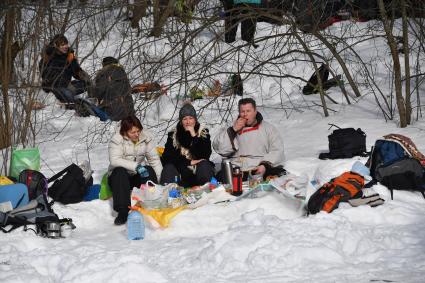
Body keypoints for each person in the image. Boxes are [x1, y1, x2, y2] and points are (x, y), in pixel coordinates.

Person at [108, 115, 162, 225]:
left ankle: (152, 202)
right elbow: (114, 160)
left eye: (138, 131)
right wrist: (136, 166)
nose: (137, 134)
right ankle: (123, 211)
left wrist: (161, 181)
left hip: (137, 176)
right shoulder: (117, 140)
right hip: (119, 179)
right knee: (119, 172)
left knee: (149, 169)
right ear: (125, 132)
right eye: (133, 132)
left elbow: (154, 159)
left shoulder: (146, 138)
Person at [213, 98, 285, 180]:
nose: (245, 114)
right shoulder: (230, 128)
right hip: (236, 167)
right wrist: (233, 130)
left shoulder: (268, 129)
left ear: (255, 111)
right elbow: (220, 149)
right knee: (221, 178)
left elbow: (277, 150)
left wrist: (264, 165)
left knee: (277, 175)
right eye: (242, 111)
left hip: (259, 166)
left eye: (248, 111)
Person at [161, 103, 215, 187]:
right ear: (181, 121)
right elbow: (167, 157)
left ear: (195, 119)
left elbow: (205, 154)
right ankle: (170, 194)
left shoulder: (203, 132)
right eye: (184, 119)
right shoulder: (174, 135)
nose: (188, 122)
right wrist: (189, 162)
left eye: (191, 118)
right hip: (180, 170)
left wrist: (194, 135)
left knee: (204, 164)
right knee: (168, 167)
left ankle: (207, 191)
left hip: (199, 170)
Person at [39, 34, 91, 105]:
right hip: (54, 88)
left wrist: (82, 75)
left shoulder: (68, 55)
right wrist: (66, 84)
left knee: (88, 85)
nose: (65, 46)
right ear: (56, 46)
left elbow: (75, 70)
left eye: (66, 44)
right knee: (69, 97)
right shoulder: (48, 57)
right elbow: (48, 78)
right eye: (62, 45)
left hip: (67, 85)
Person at [91, 57, 135, 121]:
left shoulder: (103, 73)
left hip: (113, 114)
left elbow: (98, 91)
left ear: (104, 64)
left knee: (90, 106)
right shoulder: (122, 72)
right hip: (129, 113)